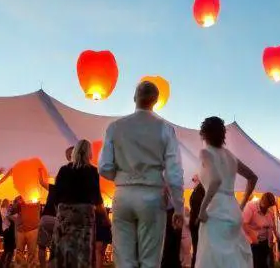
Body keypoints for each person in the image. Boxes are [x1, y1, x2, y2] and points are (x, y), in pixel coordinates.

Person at [98, 80, 185, 268]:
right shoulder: (165, 129)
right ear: (155, 101)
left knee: (124, 259)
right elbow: (174, 173)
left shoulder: (115, 127)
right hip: (153, 195)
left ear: (134, 97)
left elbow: (104, 167)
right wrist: (178, 207)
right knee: (150, 260)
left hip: (123, 194)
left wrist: (123, 178)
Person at [195, 115, 258, 268]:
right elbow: (252, 177)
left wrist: (202, 209)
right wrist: (242, 204)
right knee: (233, 256)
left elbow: (215, 180)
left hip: (216, 208)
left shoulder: (206, 153)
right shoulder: (230, 156)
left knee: (212, 256)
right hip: (233, 208)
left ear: (203, 133)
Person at [52, 139, 104, 268]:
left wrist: (59, 213)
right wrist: (103, 217)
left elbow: (55, 194)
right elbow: (97, 197)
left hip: (66, 212)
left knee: (63, 247)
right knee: (83, 248)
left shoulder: (64, 170)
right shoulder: (92, 171)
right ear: (89, 153)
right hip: (84, 213)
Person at [242, 192, 277, 268]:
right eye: (265, 206)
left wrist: (273, 237)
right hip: (251, 242)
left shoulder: (269, 211)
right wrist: (253, 236)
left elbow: (271, 225)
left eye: (268, 206)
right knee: (255, 263)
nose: (266, 208)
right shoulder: (251, 206)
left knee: (263, 263)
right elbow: (244, 223)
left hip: (264, 242)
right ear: (262, 200)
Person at [189, 176, 206, 268]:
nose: (193, 178)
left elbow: (199, 207)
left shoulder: (200, 189)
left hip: (197, 223)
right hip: (195, 223)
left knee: (198, 249)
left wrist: (198, 218)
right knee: (197, 249)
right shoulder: (197, 189)